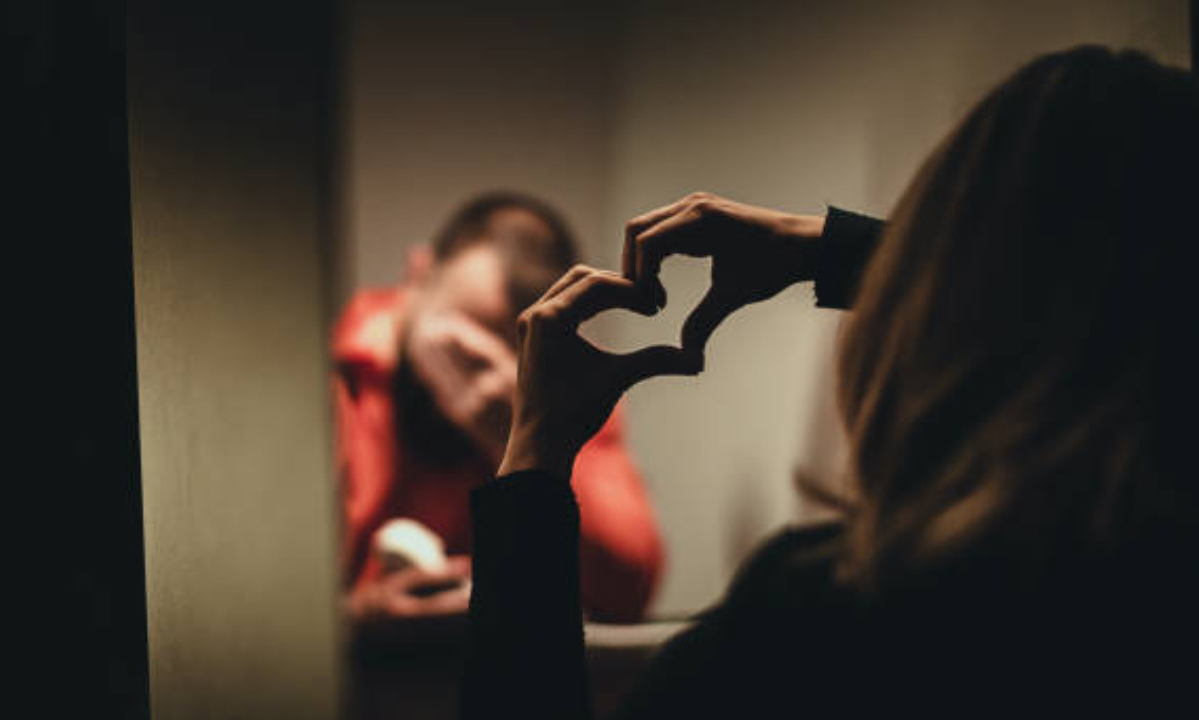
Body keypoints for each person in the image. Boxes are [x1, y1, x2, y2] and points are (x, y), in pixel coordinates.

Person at [460, 46, 1199, 718]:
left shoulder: (825, 625)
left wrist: (533, 455)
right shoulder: (1155, 595)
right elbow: (1098, 285)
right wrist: (827, 249)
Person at [333, 192, 664, 626]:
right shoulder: (328, 373)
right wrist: (353, 617)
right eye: (459, 348)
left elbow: (628, 592)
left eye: (511, 362)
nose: (480, 388)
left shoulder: (555, 392)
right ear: (417, 274)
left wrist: (524, 440)